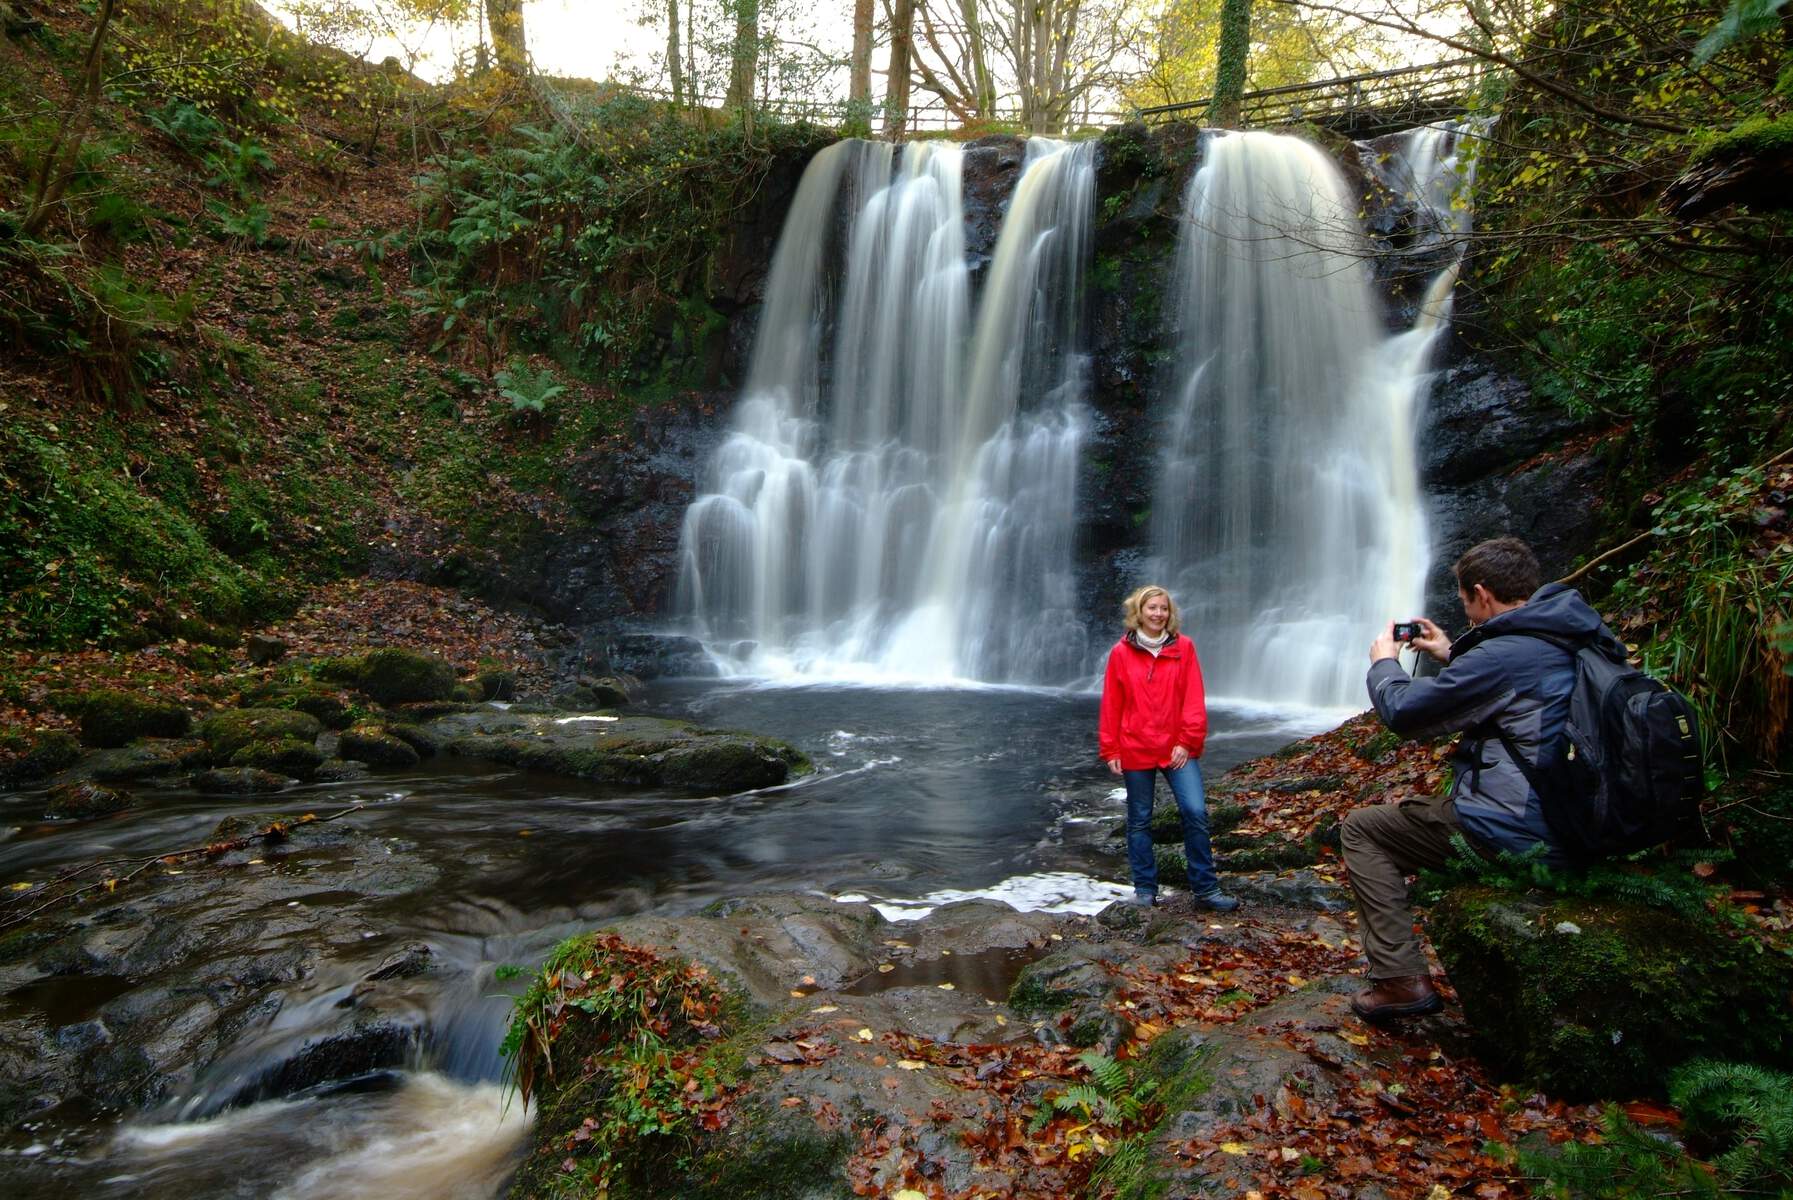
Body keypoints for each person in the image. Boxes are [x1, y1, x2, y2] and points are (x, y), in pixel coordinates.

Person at [1342, 535, 1627, 1021]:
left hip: (1523, 831)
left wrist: (1384, 664)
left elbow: (1404, 713)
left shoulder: (1501, 655)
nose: (1467, 611)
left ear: (1482, 593)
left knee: (1363, 828)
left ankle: (1398, 979)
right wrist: (1452, 654)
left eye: (1465, 602)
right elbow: (1523, 692)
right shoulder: (1575, 634)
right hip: (1586, 821)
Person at [1098, 584, 1239, 912]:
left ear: (1169, 613)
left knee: (1195, 812)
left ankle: (1206, 890)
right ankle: (1145, 890)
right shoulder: (1121, 652)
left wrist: (1187, 742)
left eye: (1163, 608)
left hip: (1176, 747)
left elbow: (1193, 697)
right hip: (1135, 746)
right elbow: (1112, 703)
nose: (1158, 614)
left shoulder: (1183, 647)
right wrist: (1111, 749)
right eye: (1152, 608)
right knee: (1139, 819)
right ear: (1139, 612)